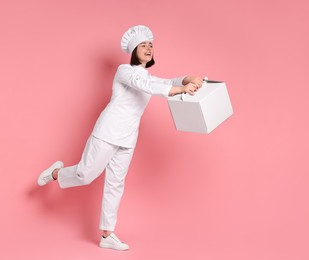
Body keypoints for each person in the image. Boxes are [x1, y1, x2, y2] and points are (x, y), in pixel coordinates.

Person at [37, 25, 203, 251]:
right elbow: (149, 86)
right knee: (85, 175)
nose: (148, 48)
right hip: (107, 131)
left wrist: (190, 79)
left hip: (128, 137)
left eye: (151, 45)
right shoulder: (124, 71)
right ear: (134, 50)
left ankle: (107, 235)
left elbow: (166, 82)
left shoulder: (148, 76)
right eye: (143, 45)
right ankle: (56, 172)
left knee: (115, 184)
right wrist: (183, 89)